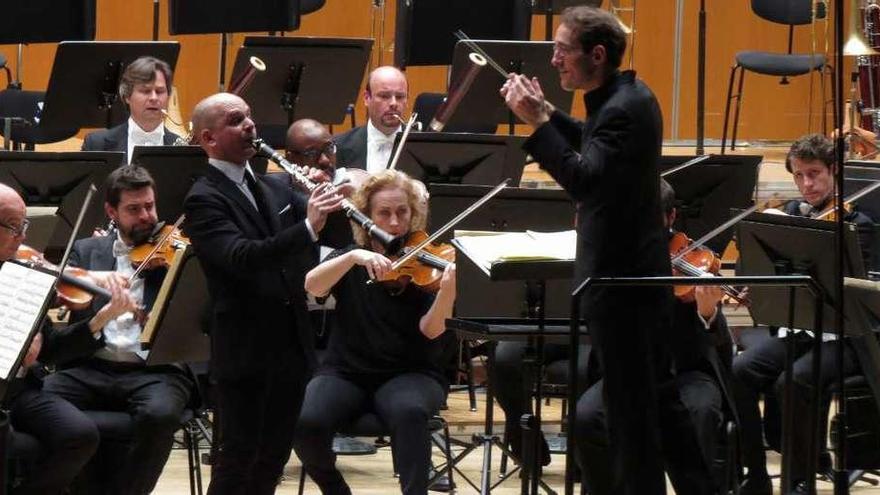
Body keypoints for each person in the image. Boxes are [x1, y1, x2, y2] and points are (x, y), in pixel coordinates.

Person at [500, 6, 711, 493]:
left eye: (561, 49)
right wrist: (551, 116)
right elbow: (593, 145)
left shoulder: (620, 107)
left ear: (596, 54)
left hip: (624, 288)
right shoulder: (625, 96)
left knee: (633, 420)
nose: (553, 60)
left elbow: (584, 181)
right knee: (660, 406)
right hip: (634, 281)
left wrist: (535, 126)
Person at [183, 93, 344, 494]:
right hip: (244, 349)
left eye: (250, 116)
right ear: (209, 139)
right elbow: (241, 256)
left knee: (272, 458)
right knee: (236, 459)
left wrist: (334, 203)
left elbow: (323, 237)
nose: (250, 126)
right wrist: (307, 226)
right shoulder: (204, 198)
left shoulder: (272, 186)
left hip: (290, 343)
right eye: (236, 120)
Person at [294, 169, 456, 495]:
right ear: (367, 217)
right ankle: (335, 489)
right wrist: (353, 256)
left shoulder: (430, 262)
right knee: (305, 420)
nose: (395, 222)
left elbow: (431, 330)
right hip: (346, 371)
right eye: (384, 213)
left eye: (402, 212)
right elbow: (312, 286)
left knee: (409, 412)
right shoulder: (352, 257)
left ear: (413, 215)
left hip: (411, 372)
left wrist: (447, 291)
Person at [577, 179, 738, 494]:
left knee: (701, 413)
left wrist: (707, 312)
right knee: (587, 416)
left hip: (685, 374)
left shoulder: (694, 262)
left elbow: (713, 345)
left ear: (671, 217)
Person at [733, 134, 873, 495]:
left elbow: (862, 296)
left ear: (834, 171)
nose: (806, 184)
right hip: (799, 328)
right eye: (798, 175)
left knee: (794, 380)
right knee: (740, 371)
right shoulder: (789, 218)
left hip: (847, 337)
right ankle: (756, 473)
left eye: (814, 174)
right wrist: (759, 290)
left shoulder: (860, 223)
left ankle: (798, 482)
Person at [41, 165, 194, 495]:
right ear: (111, 211)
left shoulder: (177, 252)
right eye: (133, 209)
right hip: (90, 367)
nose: (145, 217)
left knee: (160, 414)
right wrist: (102, 307)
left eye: (149, 206)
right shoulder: (86, 251)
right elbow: (61, 332)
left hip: (153, 370)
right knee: (40, 400)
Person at [0, 183, 142, 495]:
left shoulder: (29, 272)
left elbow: (51, 350)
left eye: (24, 225)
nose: (23, 237)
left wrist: (100, 319)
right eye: (13, 227)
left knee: (80, 434)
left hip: (21, 391)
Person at [82, 56, 180, 163]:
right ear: (127, 96)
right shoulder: (96, 145)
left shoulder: (182, 148)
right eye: (145, 91)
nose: (154, 98)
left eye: (160, 91)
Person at [334, 66, 408, 173]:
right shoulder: (339, 146)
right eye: (384, 96)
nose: (393, 103)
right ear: (366, 98)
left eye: (400, 96)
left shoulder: (424, 146)